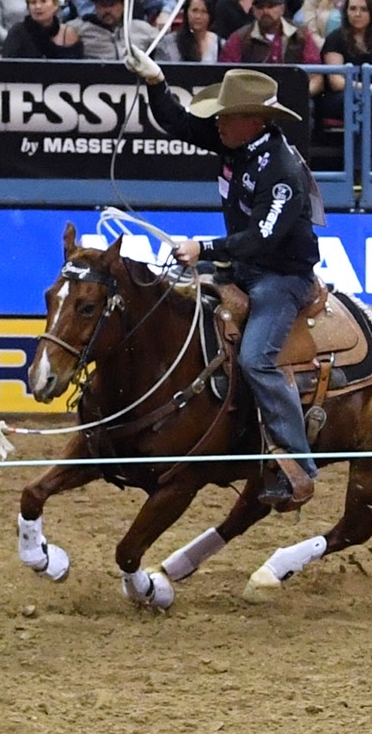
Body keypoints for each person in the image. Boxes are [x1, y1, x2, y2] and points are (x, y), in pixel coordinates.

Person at [119, 59, 323, 510]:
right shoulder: (236, 141)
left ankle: (298, 466)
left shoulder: (283, 172)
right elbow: (177, 122)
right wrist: (156, 82)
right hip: (245, 266)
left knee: (256, 359)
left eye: (225, 115)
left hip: (281, 276)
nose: (217, 122)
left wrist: (203, 248)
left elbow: (263, 238)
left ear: (252, 120)